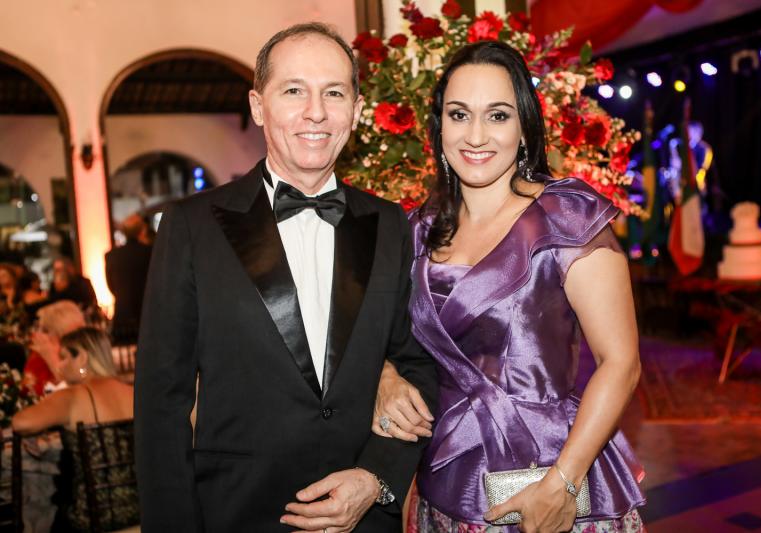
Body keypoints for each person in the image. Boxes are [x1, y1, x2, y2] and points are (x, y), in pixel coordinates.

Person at [134, 23, 438, 532]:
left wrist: (376, 477)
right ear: (258, 106)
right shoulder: (191, 227)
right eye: (293, 90)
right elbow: (160, 406)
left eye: (334, 93)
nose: (315, 112)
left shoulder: (390, 225)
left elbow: (421, 362)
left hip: (364, 518)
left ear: (356, 110)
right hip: (239, 514)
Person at [373, 42, 646, 532]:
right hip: (445, 481)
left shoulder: (568, 218)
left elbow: (621, 363)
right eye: (459, 115)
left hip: (550, 476)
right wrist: (385, 376)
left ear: (524, 128)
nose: (476, 135)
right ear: (439, 127)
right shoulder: (414, 231)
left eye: (497, 115)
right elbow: (382, 339)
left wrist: (562, 483)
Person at [13, 327, 136, 531]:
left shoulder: (73, 396)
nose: (59, 365)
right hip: (146, 507)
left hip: (94, 517)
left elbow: (21, 423)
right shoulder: (133, 391)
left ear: (82, 358)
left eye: (63, 357)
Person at [105, 213, 153, 343]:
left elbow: (110, 285)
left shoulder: (112, 255)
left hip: (122, 316)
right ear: (143, 231)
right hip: (147, 315)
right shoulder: (150, 252)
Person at [25, 300, 86, 395]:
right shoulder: (37, 358)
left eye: (45, 330)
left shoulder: (84, 361)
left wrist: (52, 359)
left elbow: (77, 393)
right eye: (38, 328)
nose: (38, 334)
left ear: (64, 335)